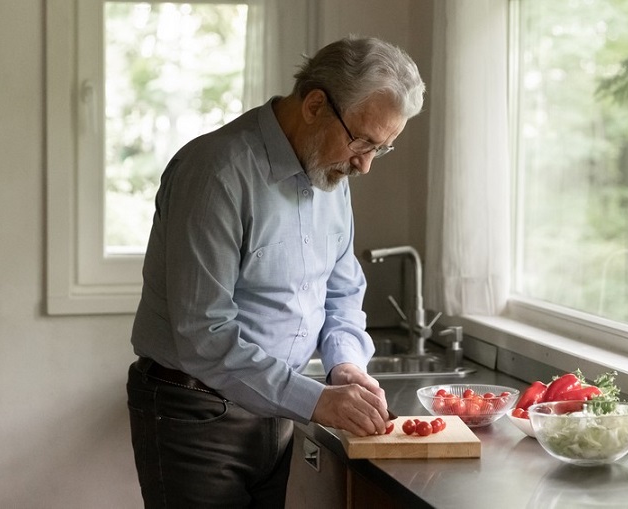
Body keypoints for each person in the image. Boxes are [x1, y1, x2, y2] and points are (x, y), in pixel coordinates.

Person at [125, 35, 426, 507]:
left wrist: (344, 363)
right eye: (363, 140)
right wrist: (318, 400)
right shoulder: (216, 172)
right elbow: (204, 334)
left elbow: (343, 293)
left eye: (381, 149)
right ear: (314, 105)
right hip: (195, 413)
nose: (365, 166)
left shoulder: (332, 173)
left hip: (277, 411)